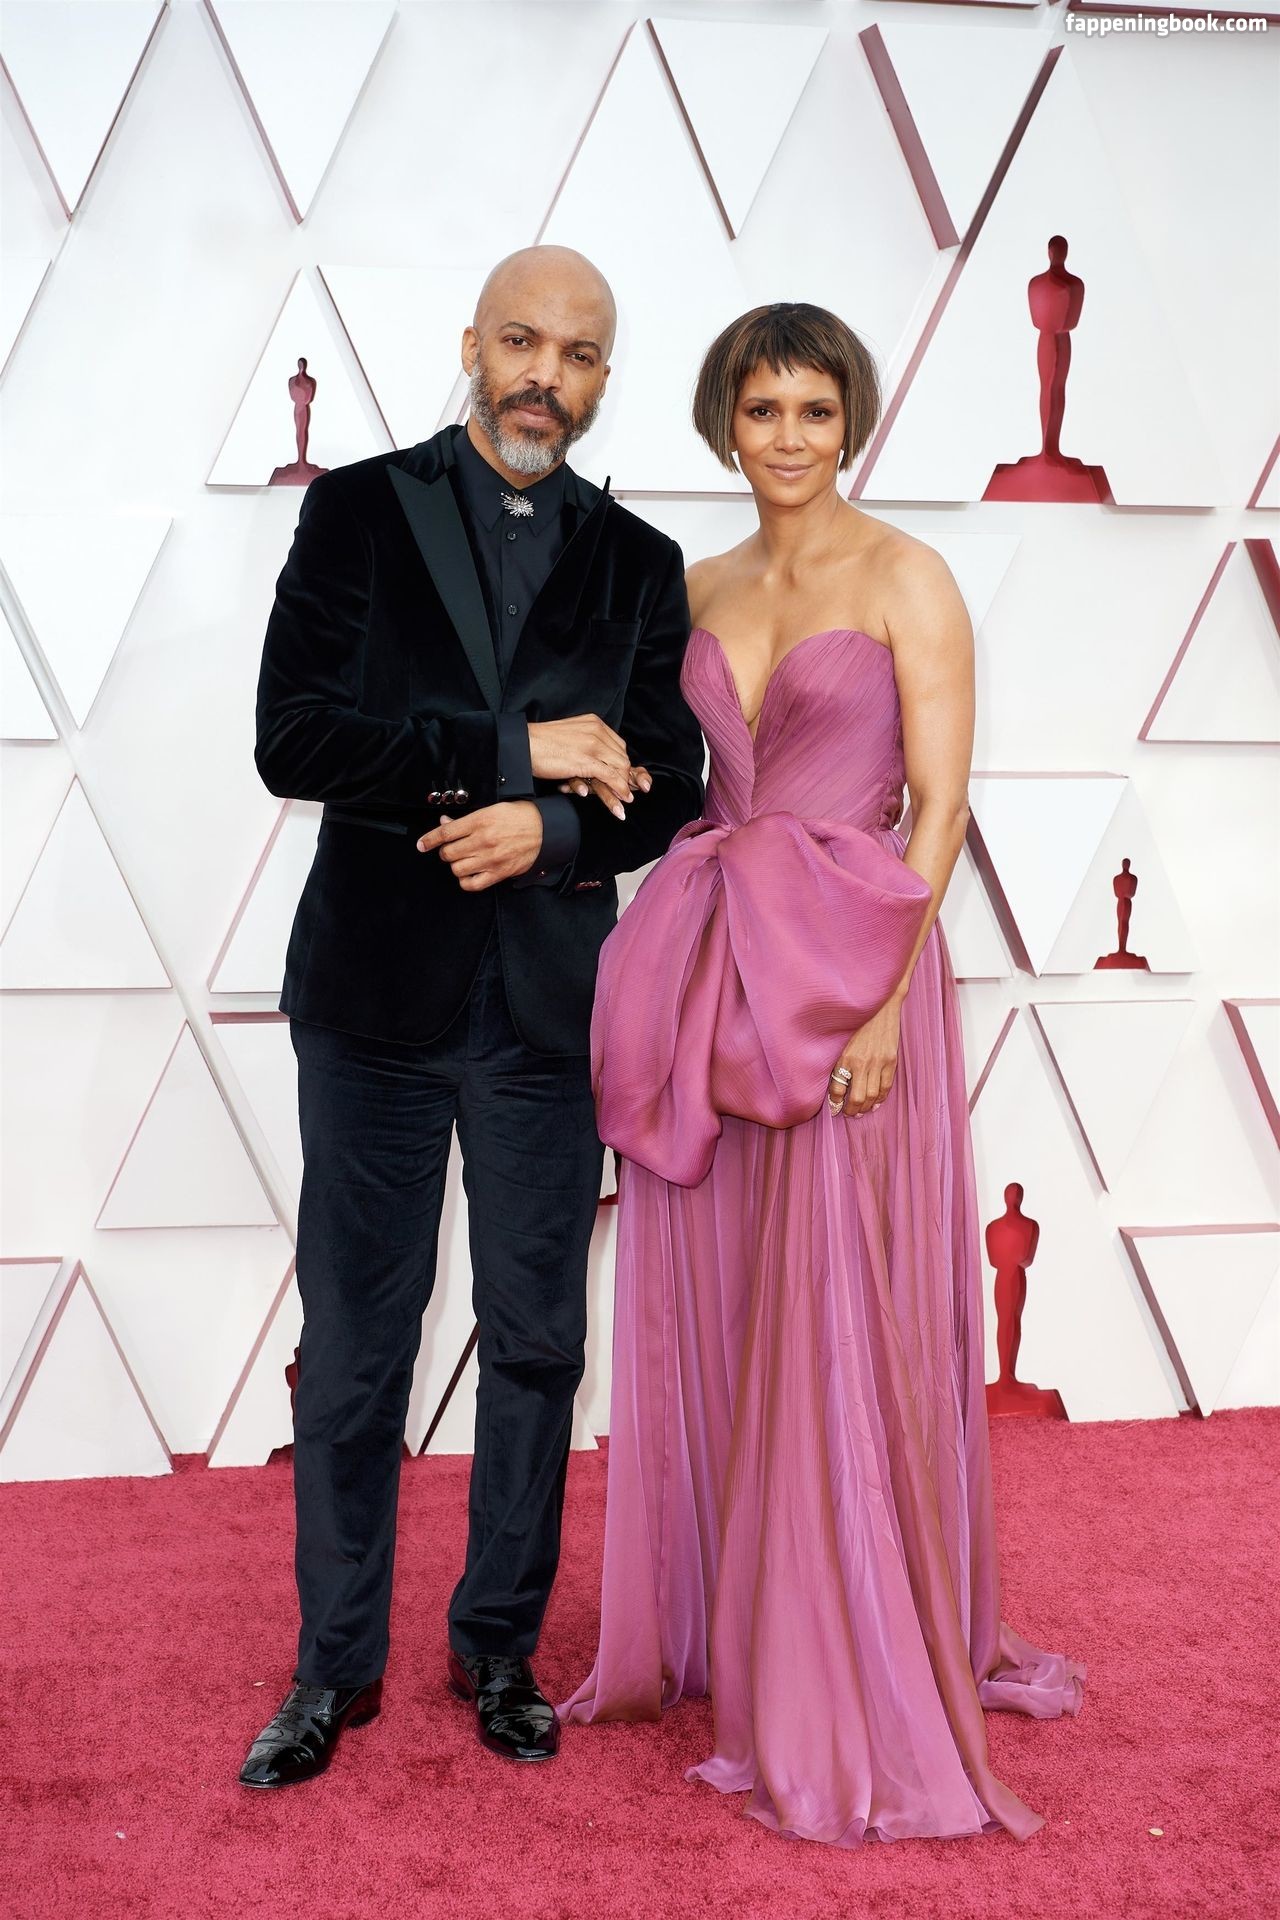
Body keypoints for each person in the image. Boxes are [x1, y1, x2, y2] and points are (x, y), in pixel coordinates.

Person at [560, 302, 1085, 1845]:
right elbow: (671, 778)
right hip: (721, 976)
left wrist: (878, 1007)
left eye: (815, 410)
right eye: (762, 409)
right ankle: (738, 1616)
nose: (788, 437)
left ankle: (848, 1636)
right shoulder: (696, 587)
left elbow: (938, 808)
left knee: (832, 1309)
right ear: (724, 422)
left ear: (850, 421)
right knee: (728, 1300)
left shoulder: (908, 577)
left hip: (855, 979)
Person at [239, 246, 705, 1788]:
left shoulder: (637, 562)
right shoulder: (358, 509)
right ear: (472, 344)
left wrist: (551, 832)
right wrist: (514, 753)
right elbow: (295, 738)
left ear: (603, 377)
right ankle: (334, 1664)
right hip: (372, 998)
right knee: (356, 1345)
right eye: (521, 341)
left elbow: (668, 787)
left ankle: (497, 1643)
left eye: (576, 354)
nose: (543, 377)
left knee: (538, 1341)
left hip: (548, 1011)